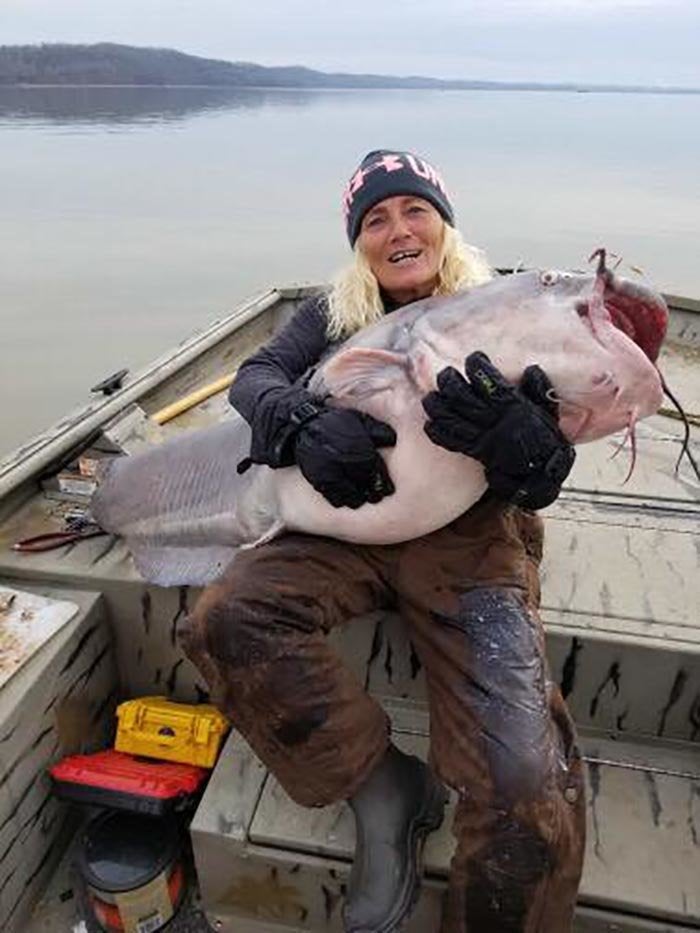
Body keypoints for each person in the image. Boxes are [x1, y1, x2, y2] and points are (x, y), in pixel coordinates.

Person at [181, 150, 585, 933]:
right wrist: (297, 422)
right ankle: (382, 785)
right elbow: (255, 377)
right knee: (223, 618)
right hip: (349, 523)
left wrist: (528, 447)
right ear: (358, 241)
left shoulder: (500, 305)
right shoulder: (338, 312)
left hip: (468, 540)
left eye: (415, 210)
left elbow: (552, 455)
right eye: (375, 219)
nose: (398, 230)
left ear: (444, 221)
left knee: (526, 782)